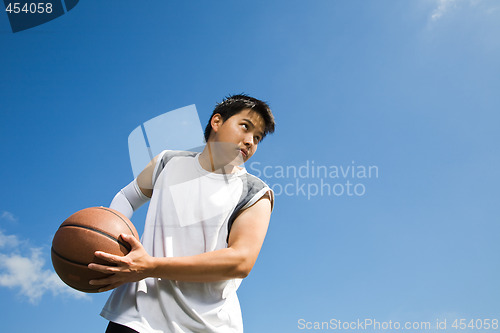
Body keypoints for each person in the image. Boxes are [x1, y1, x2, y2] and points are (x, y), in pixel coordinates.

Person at [88, 94, 276, 333]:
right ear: (217, 122)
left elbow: (240, 261)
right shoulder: (167, 162)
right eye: (245, 127)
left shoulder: (255, 192)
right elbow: (127, 197)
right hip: (136, 316)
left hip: (204, 325)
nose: (250, 141)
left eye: (257, 137)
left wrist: (150, 266)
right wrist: (114, 242)